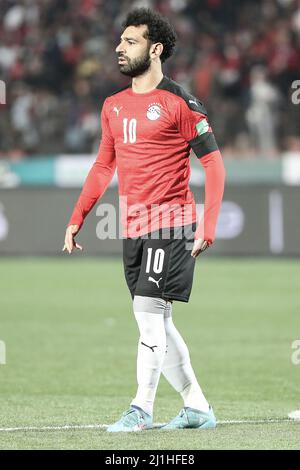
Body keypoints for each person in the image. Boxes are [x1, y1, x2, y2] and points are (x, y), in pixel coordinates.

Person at [63, 7, 225, 432]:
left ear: (155, 50)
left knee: (149, 312)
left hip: (171, 222)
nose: (119, 47)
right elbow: (103, 167)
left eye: (130, 41)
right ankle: (197, 406)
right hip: (131, 224)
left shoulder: (181, 103)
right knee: (156, 319)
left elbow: (215, 165)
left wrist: (208, 225)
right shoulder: (112, 106)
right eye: (120, 40)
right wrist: (78, 215)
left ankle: (141, 408)